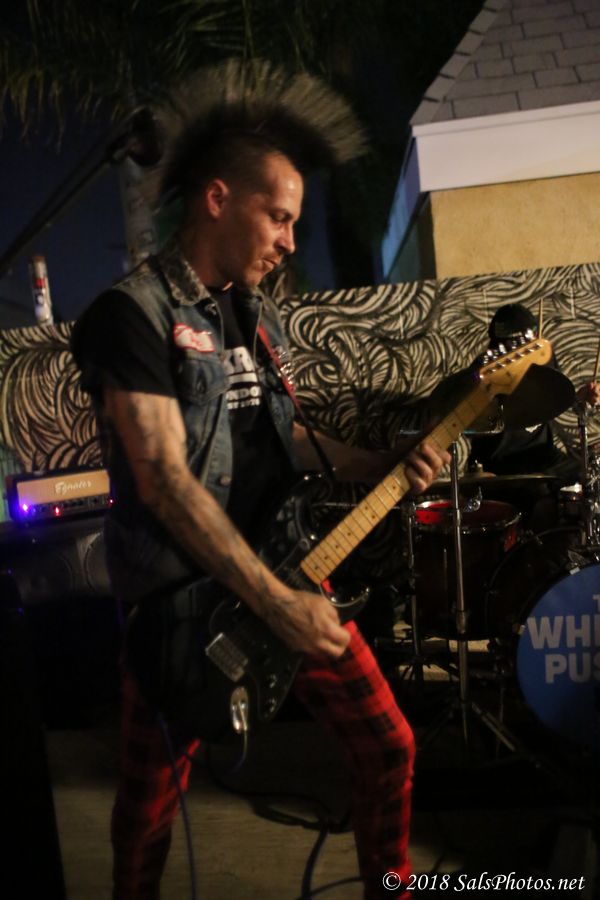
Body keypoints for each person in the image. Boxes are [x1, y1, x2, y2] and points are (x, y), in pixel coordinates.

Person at [71, 71, 449, 900]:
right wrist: (276, 607)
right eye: (278, 217)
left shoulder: (256, 316)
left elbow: (286, 439)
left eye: (294, 223)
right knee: (148, 815)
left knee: (388, 747)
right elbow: (165, 482)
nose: (288, 241)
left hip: (287, 571)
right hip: (186, 610)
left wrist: (377, 463)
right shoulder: (132, 314)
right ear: (218, 199)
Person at [468, 303, 600, 479]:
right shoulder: (484, 369)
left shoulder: (542, 357)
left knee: (589, 474)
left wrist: (579, 400)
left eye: (531, 340)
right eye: (515, 344)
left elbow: (552, 400)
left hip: (543, 455)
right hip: (499, 462)